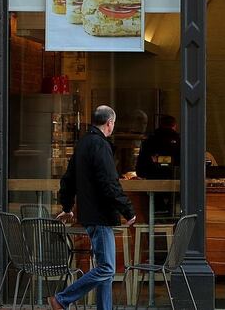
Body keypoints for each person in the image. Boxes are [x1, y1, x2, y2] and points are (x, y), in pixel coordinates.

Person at [47, 105, 136, 310]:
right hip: (101, 216)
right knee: (106, 268)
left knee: (105, 270)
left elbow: (68, 179)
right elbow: (110, 183)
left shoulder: (84, 143)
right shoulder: (100, 145)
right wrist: (128, 210)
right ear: (109, 123)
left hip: (89, 215)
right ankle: (62, 299)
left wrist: (68, 206)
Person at [135, 114, 180, 180]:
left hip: (153, 183)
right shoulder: (181, 142)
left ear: (160, 125)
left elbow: (140, 170)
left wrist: (156, 160)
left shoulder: (149, 142)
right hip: (175, 182)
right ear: (174, 126)